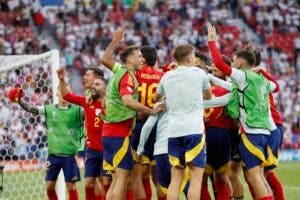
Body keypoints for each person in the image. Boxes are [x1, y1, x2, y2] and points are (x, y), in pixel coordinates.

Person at [207, 24, 277, 200]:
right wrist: (209, 77)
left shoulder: (243, 75)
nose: (232, 62)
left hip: (251, 131)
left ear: (240, 62)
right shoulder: (259, 80)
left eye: (234, 59)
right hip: (264, 131)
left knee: (254, 177)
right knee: (259, 176)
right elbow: (275, 86)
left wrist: (212, 41)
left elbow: (218, 62)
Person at [100, 26, 165, 200]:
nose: (141, 59)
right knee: (125, 179)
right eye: (138, 56)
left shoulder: (120, 70)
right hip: (122, 131)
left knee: (122, 179)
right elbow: (127, 100)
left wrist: (115, 41)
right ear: (130, 59)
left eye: (143, 57)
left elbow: (105, 59)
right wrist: (151, 110)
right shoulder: (129, 75)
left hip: (113, 131)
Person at [156, 44, 212, 200]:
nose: (195, 59)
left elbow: (157, 98)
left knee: (175, 179)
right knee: (195, 179)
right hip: (194, 130)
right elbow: (208, 97)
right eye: (194, 56)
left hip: (173, 131)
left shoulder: (167, 76)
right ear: (189, 58)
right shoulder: (199, 73)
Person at [8, 86, 83, 200]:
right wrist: (19, 100)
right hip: (53, 156)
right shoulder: (49, 109)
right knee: (49, 187)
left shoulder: (78, 110)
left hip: (70, 156)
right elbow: (31, 108)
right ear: (57, 93)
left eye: (66, 91)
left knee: (71, 187)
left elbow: (90, 110)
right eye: (61, 90)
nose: (63, 93)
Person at [57, 67, 107, 200]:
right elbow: (68, 96)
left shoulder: (110, 102)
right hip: (90, 147)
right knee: (90, 182)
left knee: (106, 182)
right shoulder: (87, 99)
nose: (84, 77)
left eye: (88, 75)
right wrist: (62, 80)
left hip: (107, 147)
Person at [131, 45, 164, 200]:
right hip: (159, 126)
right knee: (158, 176)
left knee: (138, 175)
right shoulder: (163, 75)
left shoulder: (135, 74)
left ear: (142, 59)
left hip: (139, 124)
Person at [201, 55, 234, 200]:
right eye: (212, 70)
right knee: (221, 178)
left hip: (207, 133)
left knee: (200, 178)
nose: (213, 72)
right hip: (224, 134)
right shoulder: (231, 89)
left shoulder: (203, 88)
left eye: (216, 70)